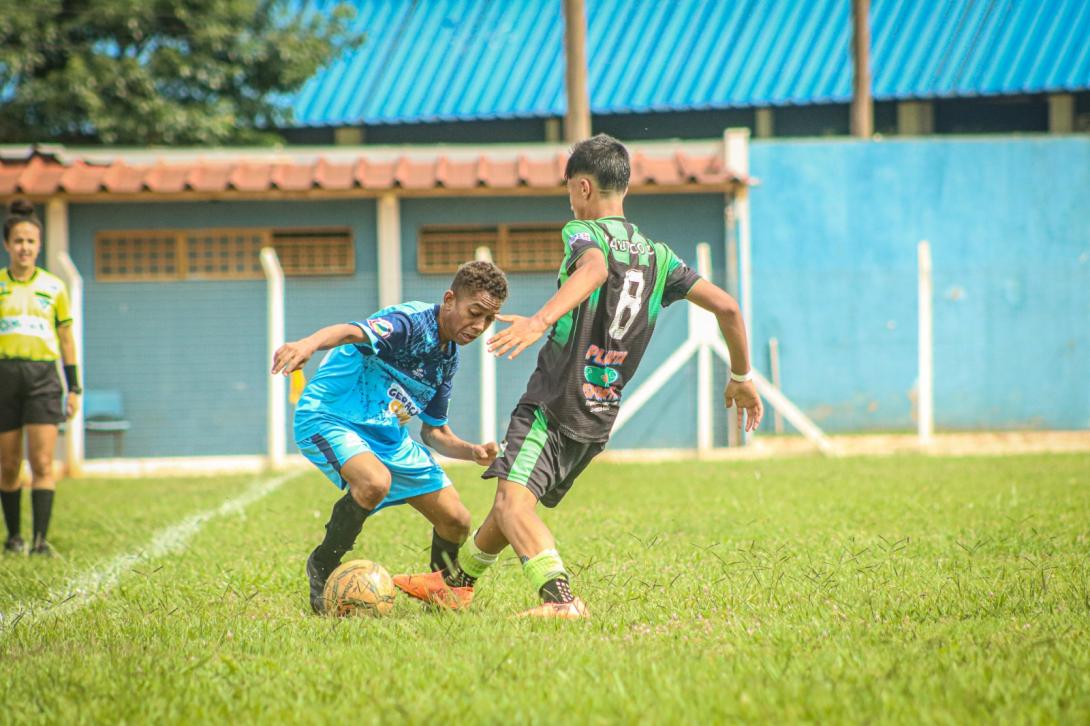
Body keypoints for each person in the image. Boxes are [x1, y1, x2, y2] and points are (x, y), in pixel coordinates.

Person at [394, 134, 763, 618]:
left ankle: (561, 602)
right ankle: (457, 584)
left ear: (584, 187)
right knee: (513, 496)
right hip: (600, 409)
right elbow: (728, 307)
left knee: (510, 503)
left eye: (570, 188)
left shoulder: (583, 234)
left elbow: (593, 268)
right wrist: (741, 373)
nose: (569, 199)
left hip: (553, 400)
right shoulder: (659, 256)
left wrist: (539, 321)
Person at [271, 260, 507, 613]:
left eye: (488, 320)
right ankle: (323, 565)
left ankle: (439, 590)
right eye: (474, 313)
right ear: (449, 299)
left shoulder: (447, 360)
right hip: (332, 417)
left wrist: (473, 451)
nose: (479, 326)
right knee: (373, 482)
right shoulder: (410, 323)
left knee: (456, 519)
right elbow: (351, 332)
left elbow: (435, 432)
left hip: (388, 437)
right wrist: (309, 344)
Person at [0, 199, 81, 557]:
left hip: (44, 379)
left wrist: (74, 386)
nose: (24, 247)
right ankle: (14, 537)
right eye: (18, 241)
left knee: (44, 462)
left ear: (39, 245)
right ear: (7, 245)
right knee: (8, 463)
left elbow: (66, 338)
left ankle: (40, 541)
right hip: (5, 378)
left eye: (31, 241)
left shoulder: (53, 288)